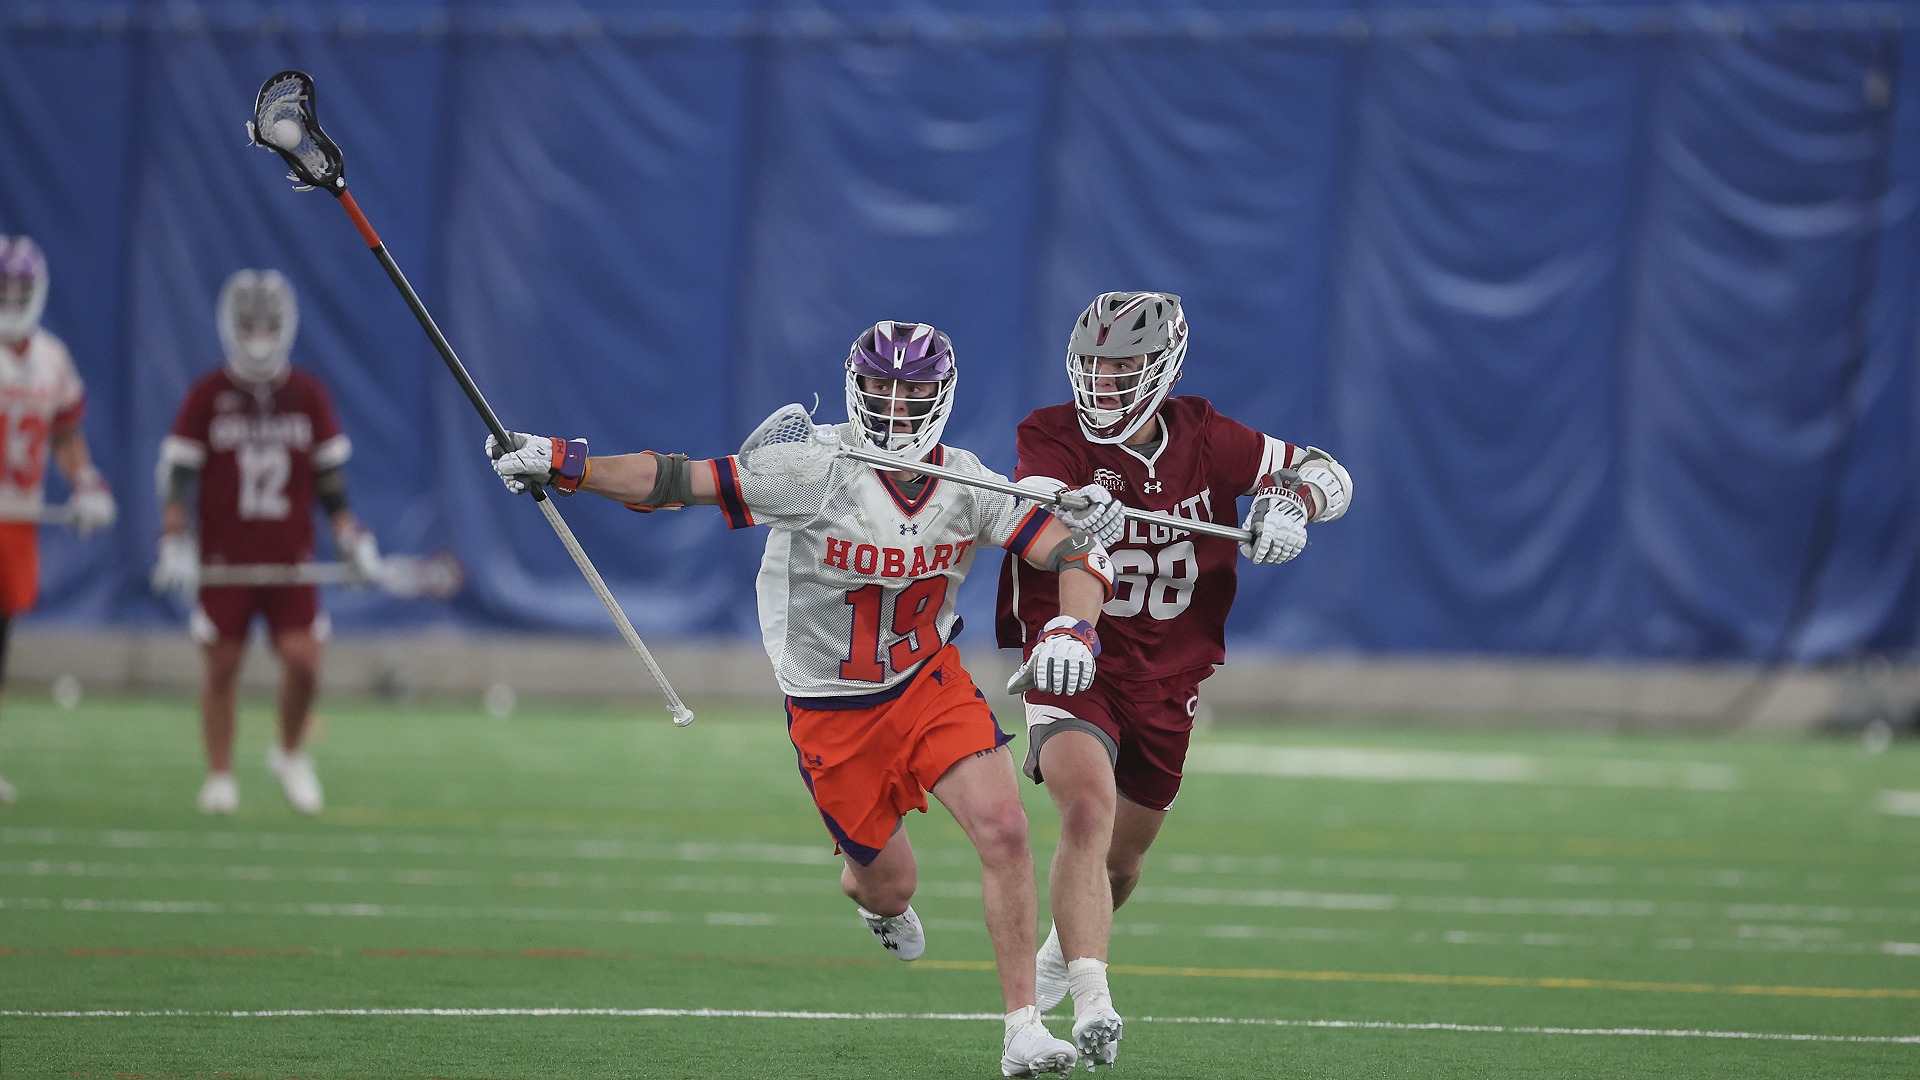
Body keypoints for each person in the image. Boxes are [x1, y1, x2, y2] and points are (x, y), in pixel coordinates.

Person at [489, 321, 1118, 1078]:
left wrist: (1074, 628)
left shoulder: (966, 482)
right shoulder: (811, 466)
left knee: (1006, 829)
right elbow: (673, 481)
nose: (895, 403)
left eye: (913, 389)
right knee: (891, 886)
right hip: (832, 709)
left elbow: (1074, 551)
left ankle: (1022, 1027)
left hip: (928, 683)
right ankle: (868, 896)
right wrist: (562, 463)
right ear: (857, 385)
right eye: (882, 386)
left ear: (942, 395)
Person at [994, 291, 1353, 1067]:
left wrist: (1294, 503)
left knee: (1122, 860)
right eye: (1095, 367)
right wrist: (1066, 507)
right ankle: (1094, 999)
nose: (1105, 385)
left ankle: (1066, 948)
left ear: (1163, 370)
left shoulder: (1207, 436)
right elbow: (1032, 502)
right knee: (1084, 812)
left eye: (1125, 369)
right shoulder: (1049, 434)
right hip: (1073, 651)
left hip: (1170, 672)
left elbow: (1330, 474)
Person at [152, 269, 380, 816]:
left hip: (288, 555)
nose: (257, 334)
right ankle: (220, 774)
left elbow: (329, 480)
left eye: (266, 323)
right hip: (226, 553)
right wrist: (173, 536)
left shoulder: (307, 393)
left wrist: (349, 534)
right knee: (223, 664)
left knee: (303, 660)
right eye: (247, 323)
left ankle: (291, 752)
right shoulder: (209, 393)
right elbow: (180, 471)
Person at [0, 236, 118, 804]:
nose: (12, 298)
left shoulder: (51, 357)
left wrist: (86, 481)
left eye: (19, 288)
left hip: (17, 518)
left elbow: (65, 433)